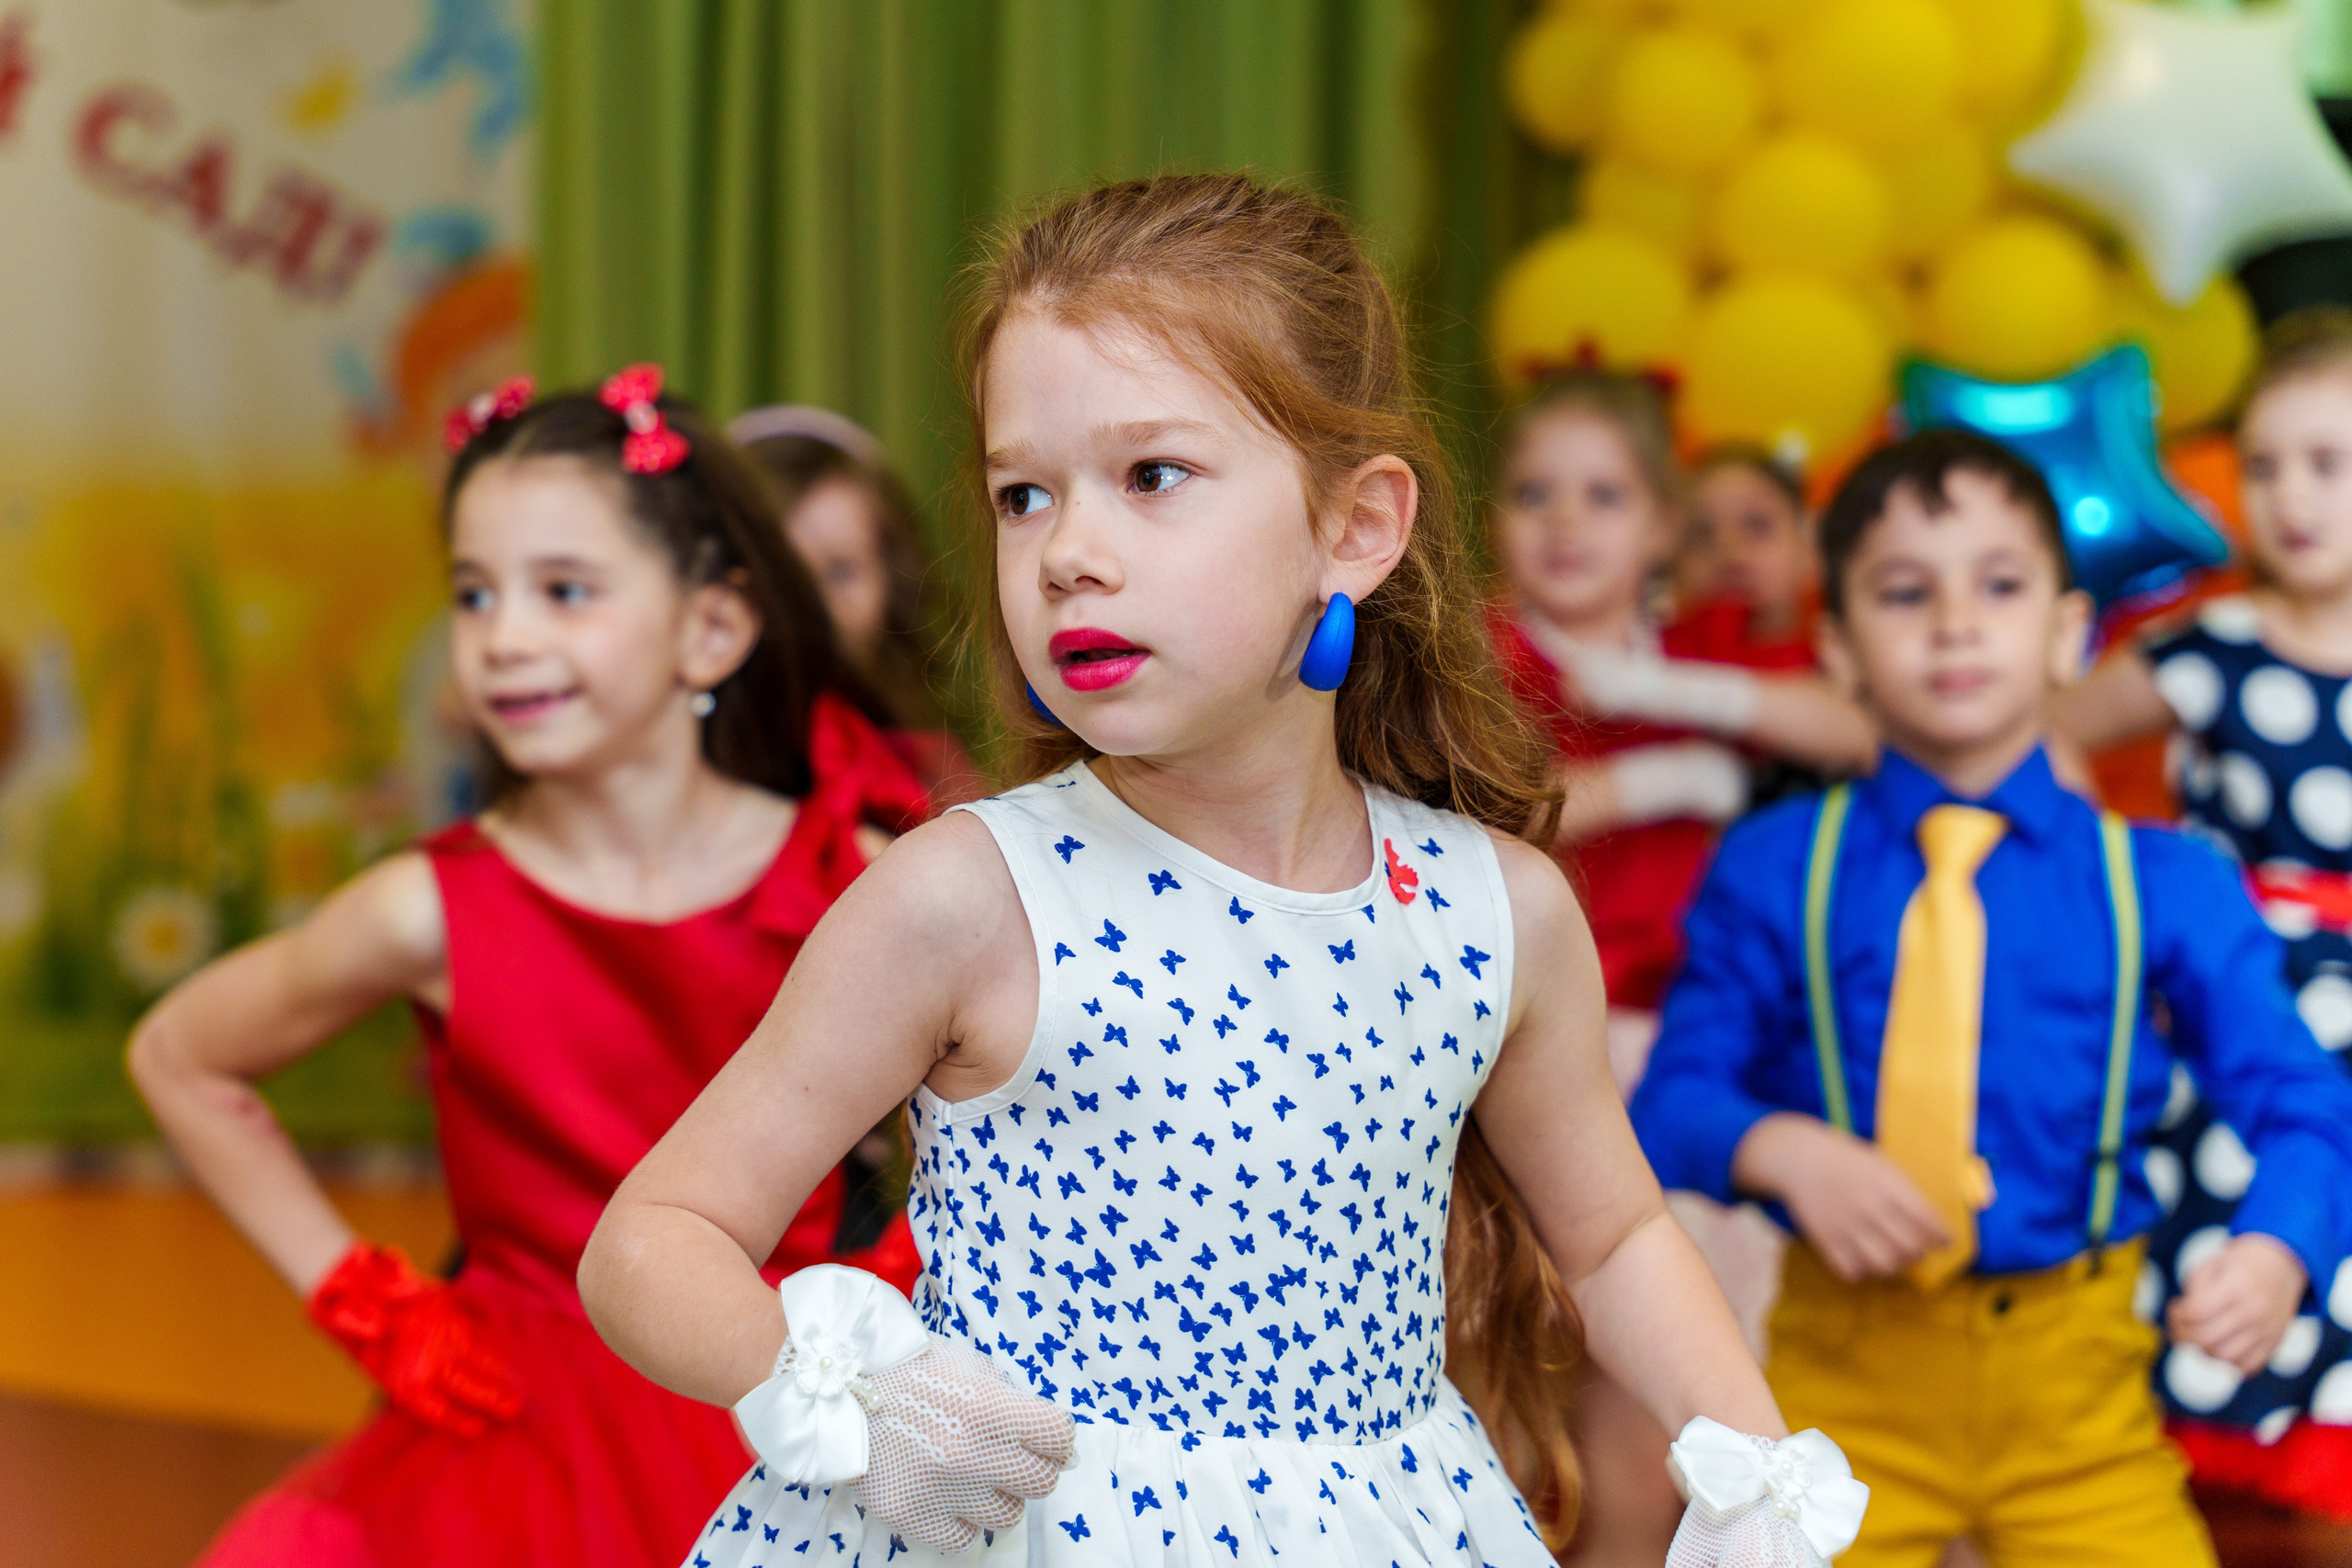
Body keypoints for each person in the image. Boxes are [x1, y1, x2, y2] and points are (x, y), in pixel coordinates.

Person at [579, 174, 1869, 1568]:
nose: (1069, 551)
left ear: (1355, 528)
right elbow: (653, 1236)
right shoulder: (971, 896)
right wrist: (851, 1396)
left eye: (1152, 477)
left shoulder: (1495, 912)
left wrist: (1757, 1466)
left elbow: (1614, 1240)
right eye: (1024, 493)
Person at [128, 368, 929, 1568]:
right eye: (473, 592)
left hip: (771, 1399)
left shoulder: (853, 884)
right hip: (506, 1433)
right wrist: (365, 1298)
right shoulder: (431, 909)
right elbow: (180, 1055)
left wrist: (880, 1290)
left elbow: (1015, 1125)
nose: (505, 636)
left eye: (564, 589)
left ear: (712, 626)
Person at [1632, 427, 2352, 1567]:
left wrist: (2277, 1247)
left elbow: (2302, 1097)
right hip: (1843, 1388)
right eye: (1905, 591)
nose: (1955, 622)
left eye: (2000, 585)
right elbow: (1670, 1099)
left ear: (2070, 632)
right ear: (1839, 648)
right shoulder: (1777, 864)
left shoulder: (2163, 881)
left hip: (2080, 1399)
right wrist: (1782, 1150)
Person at [1486, 378, 1873, 1567]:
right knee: (1494, 1358)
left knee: (1657, 1405)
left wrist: (1659, 694)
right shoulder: (1482, 655)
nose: (1566, 521)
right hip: (1520, 1051)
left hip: (1681, 1057)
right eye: (1534, 492)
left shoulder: (1702, 651)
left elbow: (1858, 731)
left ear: (1663, 526)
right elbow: (1479, 828)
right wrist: (1655, 782)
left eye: (1603, 495)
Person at [2051, 306, 2352, 1517]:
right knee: (2221, 1313)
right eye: (2265, 463)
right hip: (2248, 1017)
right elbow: (2038, 738)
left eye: (2327, 462)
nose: (2288, 494)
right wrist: (2127, 885)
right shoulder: (2212, 644)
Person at [732, 404, 985, 810]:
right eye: (781, 573)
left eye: (840, 572)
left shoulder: (933, 772)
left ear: (892, 581)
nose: (809, 603)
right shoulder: (684, 766)